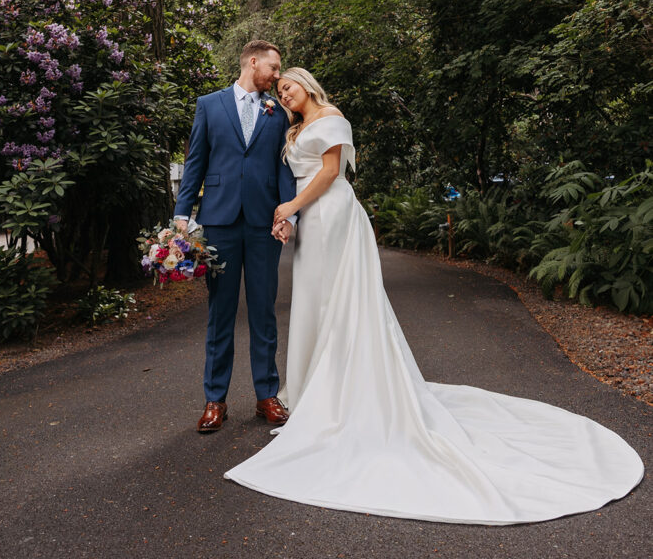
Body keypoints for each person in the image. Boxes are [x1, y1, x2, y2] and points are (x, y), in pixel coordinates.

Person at [224, 67, 644, 524]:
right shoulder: (295, 126)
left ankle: (344, 390)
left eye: (290, 86)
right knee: (315, 302)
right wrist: (291, 214)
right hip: (310, 220)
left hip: (333, 214)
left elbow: (328, 173)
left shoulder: (331, 117)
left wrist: (289, 208)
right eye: (280, 89)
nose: (284, 93)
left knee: (342, 301)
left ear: (308, 85)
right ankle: (311, 388)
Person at [174, 41, 297, 433]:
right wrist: (182, 213)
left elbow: (283, 167)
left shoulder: (278, 111)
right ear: (253, 61)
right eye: (274, 68)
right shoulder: (209, 104)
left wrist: (286, 212)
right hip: (220, 222)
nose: (278, 76)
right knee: (220, 314)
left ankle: (267, 396)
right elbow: (196, 161)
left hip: (264, 222)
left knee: (264, 311)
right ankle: (215, 400)